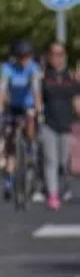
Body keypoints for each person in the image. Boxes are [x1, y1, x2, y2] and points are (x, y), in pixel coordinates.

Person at [0, 39, 43, 201]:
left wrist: (38, 106)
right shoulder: (7, 68)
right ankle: (8, 181)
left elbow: (36, 88)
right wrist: (0, 107)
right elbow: (2, 88)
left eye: (27, 57)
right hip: (13, 105)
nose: (24, 60)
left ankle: (30, 146)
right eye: (21, 57)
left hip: (28, 105)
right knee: (9, 137)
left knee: (30, 118)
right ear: (15, 57)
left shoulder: (33, 68)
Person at [39, 41, 77, 210]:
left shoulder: (72, 78)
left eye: (60, 54)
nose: (56, 58)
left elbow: (77, 101)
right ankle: (52, 195)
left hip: (67, 124)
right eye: (53, 54)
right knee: (51, 160)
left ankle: (59, 187)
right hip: (49, 124)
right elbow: (37, 96)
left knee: (63, 162)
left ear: (64, 56)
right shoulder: (43, 76)